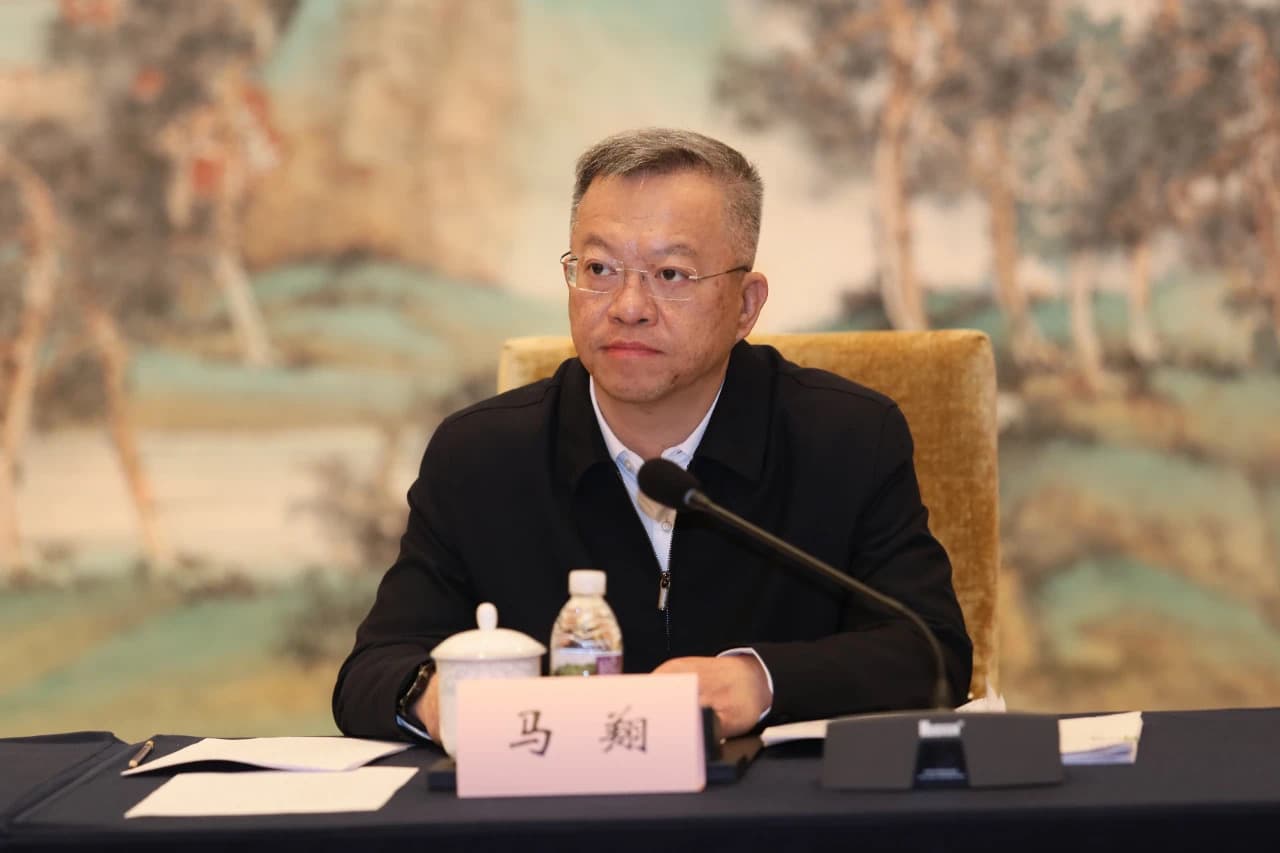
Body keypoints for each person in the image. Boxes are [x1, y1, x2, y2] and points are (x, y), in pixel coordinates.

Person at [333, 128, 972, 742]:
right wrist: (440, 699)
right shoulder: (481, 457)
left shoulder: (845, 440)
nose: (628, 306)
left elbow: (929, 650)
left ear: (746, 305)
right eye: (599, 268)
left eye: (670, 274)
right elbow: (373, 672)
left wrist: (760, 682)